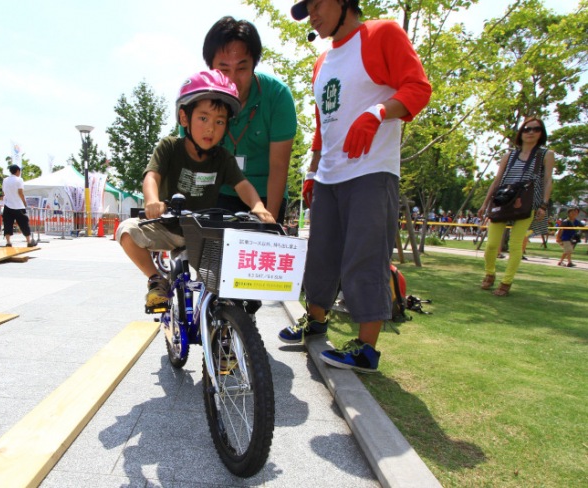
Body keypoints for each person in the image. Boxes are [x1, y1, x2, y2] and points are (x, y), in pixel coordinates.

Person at [280, 0, 432, 373]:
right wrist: (313, 171)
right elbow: (323, 123)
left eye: (318, 4)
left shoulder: (381, 34)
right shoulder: (321, 62)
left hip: (371, 171)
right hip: (330, 174)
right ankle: (315, 322)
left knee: (364, 258)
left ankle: (366, 349)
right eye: (307, 8)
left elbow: (418, 88)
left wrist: (378, 112)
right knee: (321, 256)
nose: (312, 14)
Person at [116, 70, 275, 308]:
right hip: (167, 225)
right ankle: (157, 280)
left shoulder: (222, 157)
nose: (211, 128)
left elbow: (243, 185)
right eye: (203, 118)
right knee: (126, 231)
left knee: (220, 289)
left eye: (219, 121)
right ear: (184, 118)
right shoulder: (170, 146)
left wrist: (258, 206)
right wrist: (152, 200)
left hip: (203, 232)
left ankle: (226, 324)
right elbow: (152, 176)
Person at [201, 16, 297, 223]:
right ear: (210, 67)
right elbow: (193, 164)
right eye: (224, 70)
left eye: (242, 68)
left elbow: (279, 166)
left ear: (254, 64)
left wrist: (270, 222)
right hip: (218, 192)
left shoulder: (277, 96)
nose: (233, 79)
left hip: (265, 193)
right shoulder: (197, 100)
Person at [477, 117, 555, 295]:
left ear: (541, 133)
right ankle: (490, 273)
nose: (530, 132)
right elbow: (497, 180)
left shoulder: (545, 154)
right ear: (521, 132)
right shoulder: (509, 155)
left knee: (516, 244)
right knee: (491, 245)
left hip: (527, 202)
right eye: (527, 129)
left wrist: (543, 204)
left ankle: (506, 282)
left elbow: (548, 180)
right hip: (503, 201)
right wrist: (485, 203)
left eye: (535, 129)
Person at [2, 165, 36, 247]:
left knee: (7, 223)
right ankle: (28, 241)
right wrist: (24, 202)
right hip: (18, 205)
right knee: (24, 223)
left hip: (8, 205)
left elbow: (4, 192)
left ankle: (8, 242)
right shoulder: (19, 180)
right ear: (17, 171)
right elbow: (20, 193)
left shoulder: (5, 180)